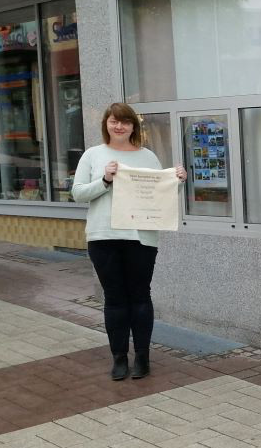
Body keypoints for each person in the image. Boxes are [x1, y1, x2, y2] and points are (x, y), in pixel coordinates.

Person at [72, 104, 187, 380]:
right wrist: (105, 179)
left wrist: (178, 182)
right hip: (104, 237)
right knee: (114, 299)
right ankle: (119, 358)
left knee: (140, 296)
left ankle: (143, 357)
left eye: (125, 122)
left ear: (134, 126)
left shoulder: (147, 156)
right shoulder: (93, 155)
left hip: (141, 237)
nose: (119, 126)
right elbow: (78, 193)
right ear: (106, 125)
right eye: (114, 121)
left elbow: (159, 192)